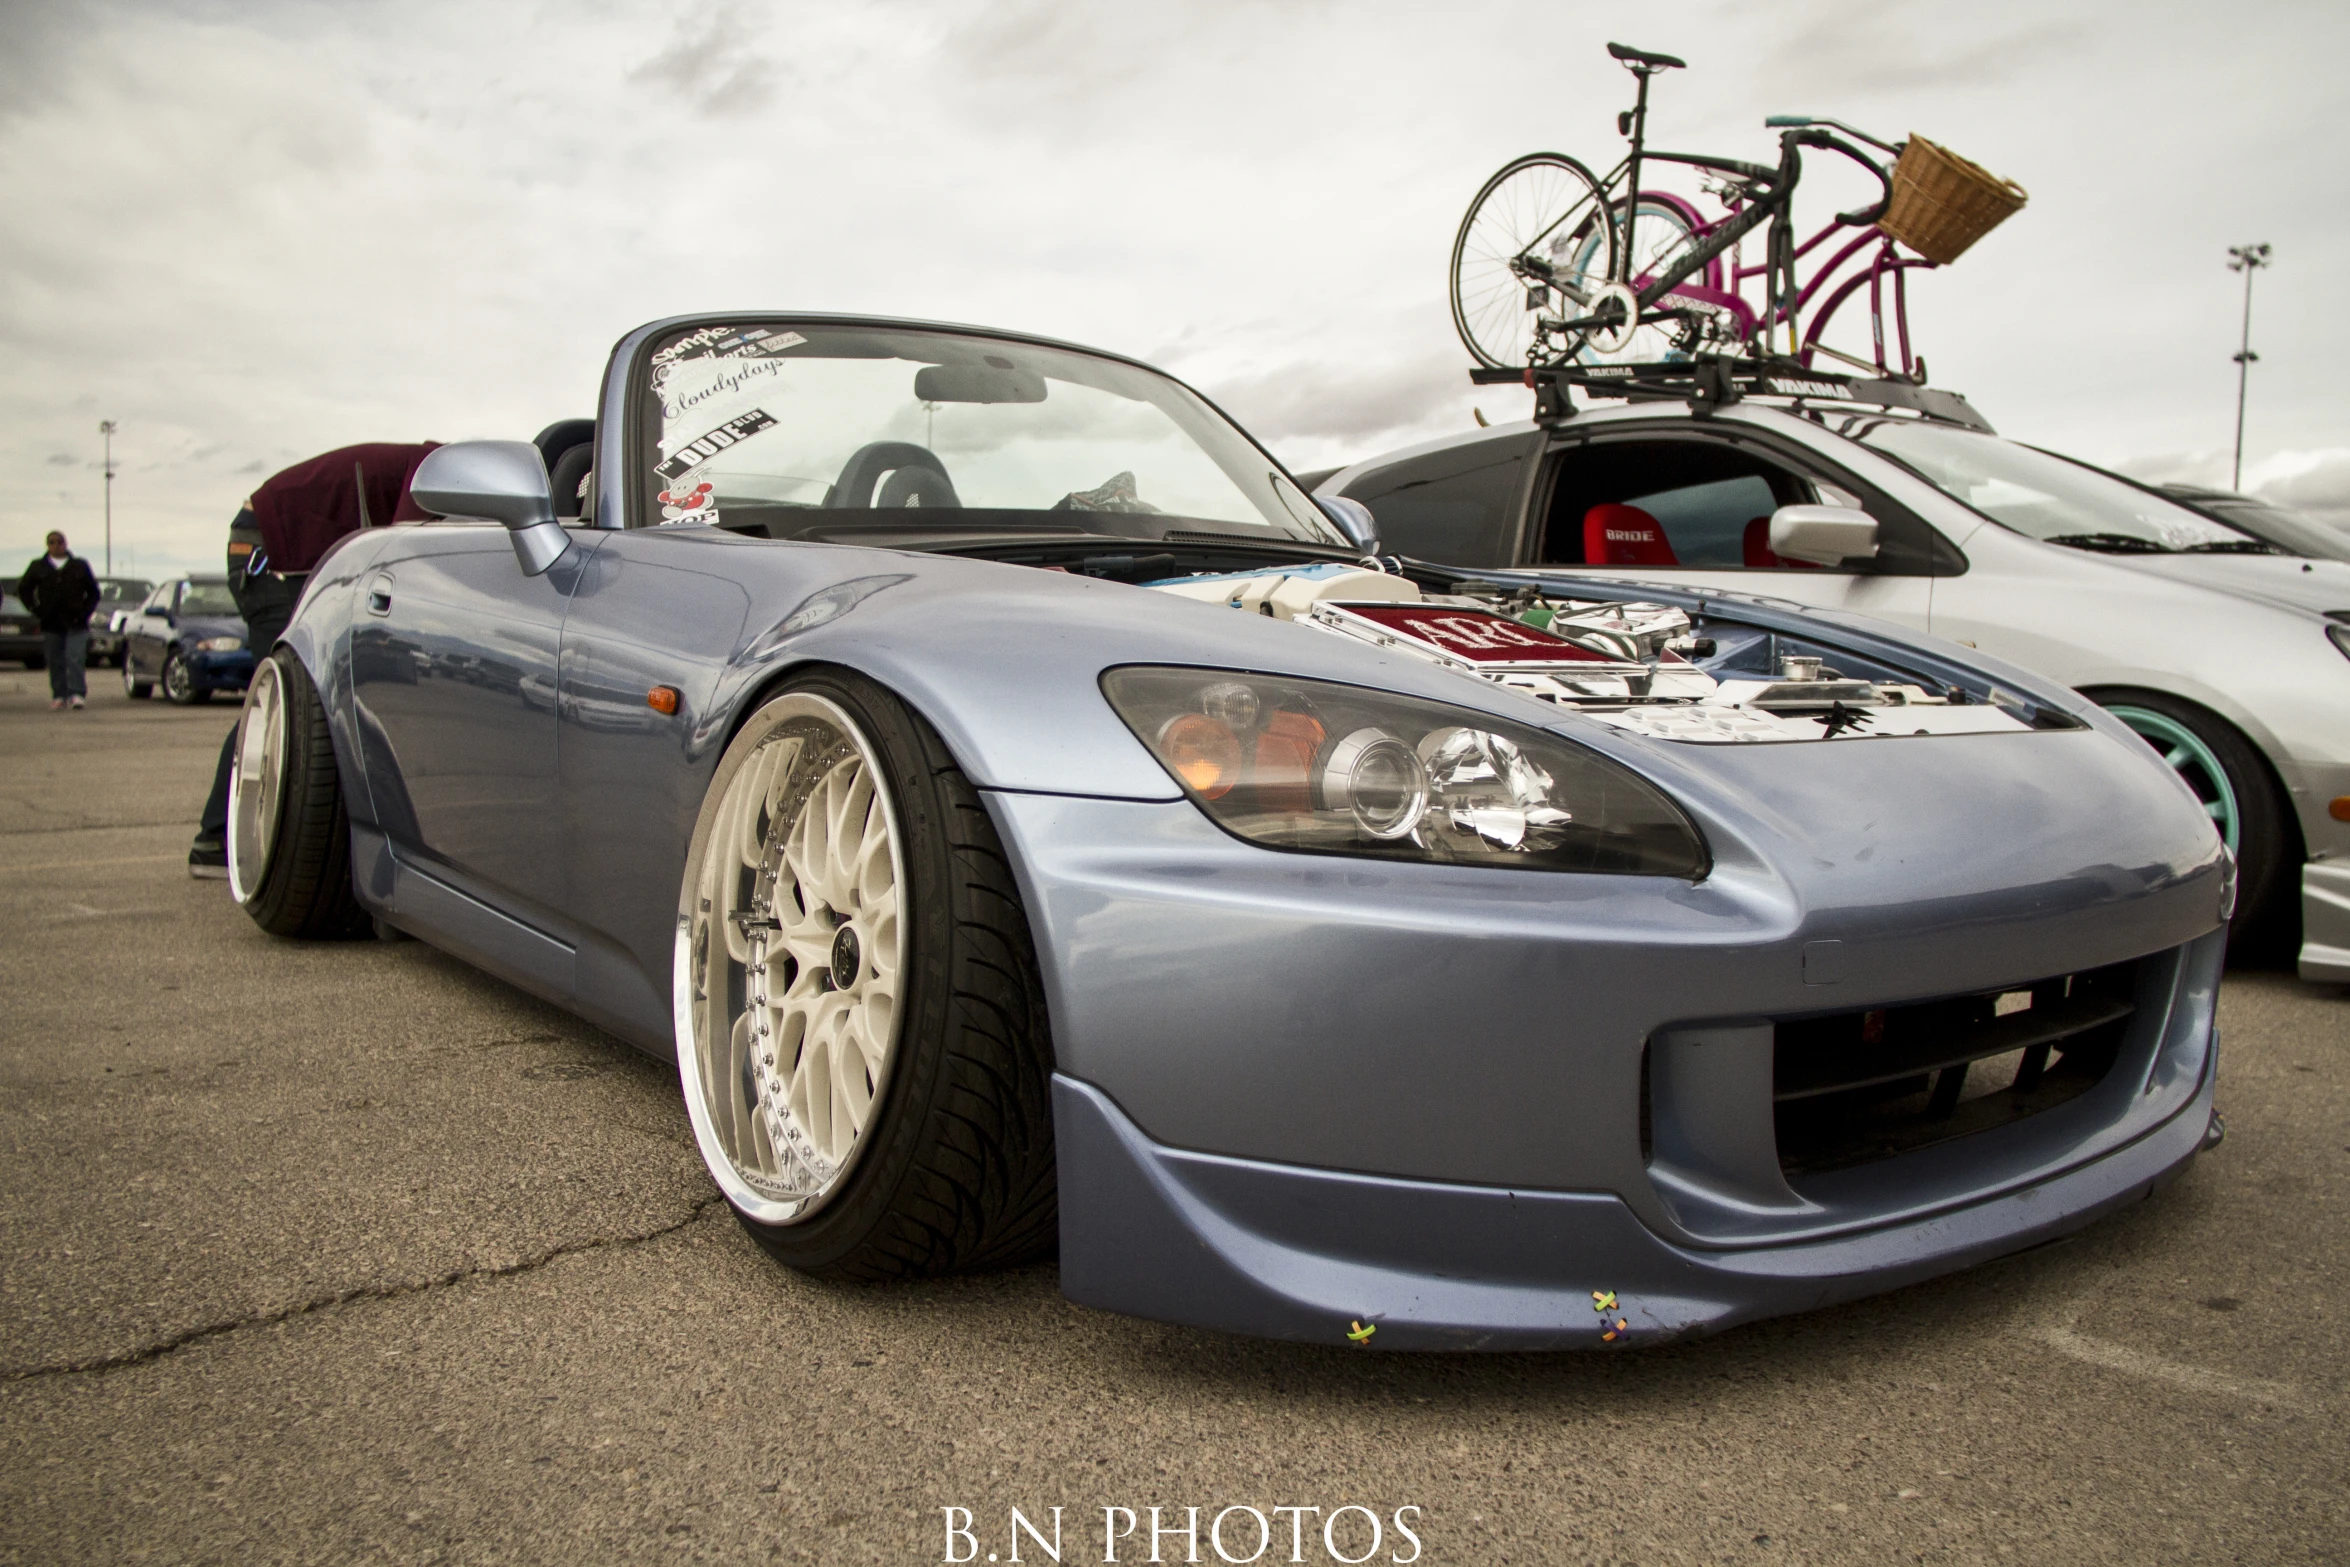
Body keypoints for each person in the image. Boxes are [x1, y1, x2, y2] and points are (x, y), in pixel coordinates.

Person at [189, 442, 439, 877]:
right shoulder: (431, 469)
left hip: (270, 545)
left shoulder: (426, 466)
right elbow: (403, 550)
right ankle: (215, 836)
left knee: (291, 698)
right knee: (288, 697)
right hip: (267, 551)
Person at [18, 530, 102, 710]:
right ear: (47, 545)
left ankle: (77, 694)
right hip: (51, 622)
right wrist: (36, 609)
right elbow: (24, 589)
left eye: (59, 542)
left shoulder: (78, 566)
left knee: (75, 657)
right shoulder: (38, 566)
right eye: (52, 542)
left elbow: (94, 592)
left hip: (76, 621)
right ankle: (59, 695)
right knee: (55, 660)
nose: (56, 545)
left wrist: (85, 611)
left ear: (66, 544)